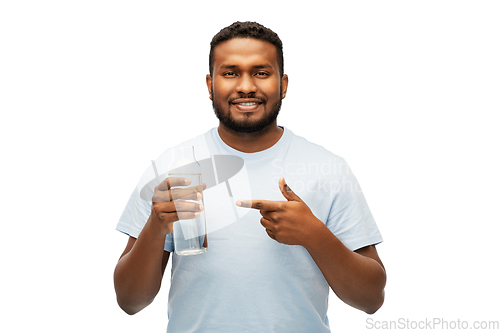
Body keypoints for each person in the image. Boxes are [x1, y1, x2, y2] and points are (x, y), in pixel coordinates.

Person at [114, 21, 386, 332]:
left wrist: (314, 234)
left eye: (261, 72)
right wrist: (154, 228)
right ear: (209, 85)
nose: (246, 86)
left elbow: (371, 299)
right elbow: (129, 301)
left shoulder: (328, 168)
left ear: (283, 84)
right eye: (230, 73)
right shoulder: (173, 166)